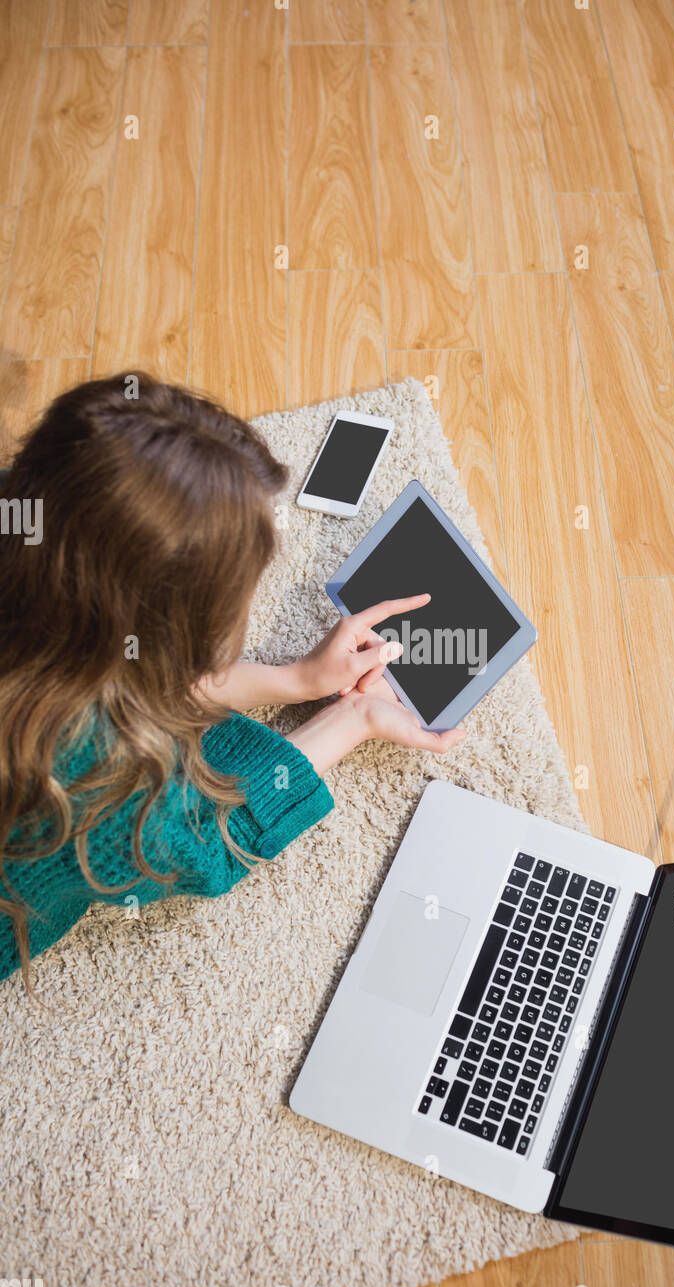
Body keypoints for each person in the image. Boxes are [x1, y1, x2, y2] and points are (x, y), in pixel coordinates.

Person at [0, 372, 465, 994]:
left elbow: (127, 672)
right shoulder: (96, 793)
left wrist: (296, 680)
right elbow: (212, 841)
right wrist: (349, 718)